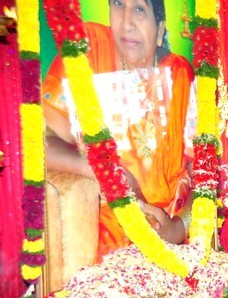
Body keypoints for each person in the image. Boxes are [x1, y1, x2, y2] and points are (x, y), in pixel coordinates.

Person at [42, 0, 195, 261]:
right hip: (101, 246)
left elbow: (202, 172)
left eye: (139, 9)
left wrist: (179, 228)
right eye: (118, 4)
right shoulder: (86, 50)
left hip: (173, 245)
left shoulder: (179, 73)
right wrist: (105, 171)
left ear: (159, 31)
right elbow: (42, 142)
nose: (126, 21)